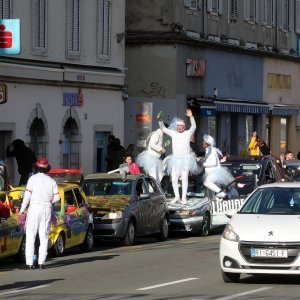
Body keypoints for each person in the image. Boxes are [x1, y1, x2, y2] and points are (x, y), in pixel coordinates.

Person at [19, 158, 60, 269]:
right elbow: (57, 197)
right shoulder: (52, 181)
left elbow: (27, 196)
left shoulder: (32, 179)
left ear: (36, 167)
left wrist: (22, 210)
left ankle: (30, 263)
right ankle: (41, 262)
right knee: (44, 236)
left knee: (30, 236)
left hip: (34, 208)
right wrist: (49, 202)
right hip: (46, 208)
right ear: (47, 168)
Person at [158, 109, 198, 205]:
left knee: (184, 178)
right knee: (174, 178)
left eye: (181, 126)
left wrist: (191, 117)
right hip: (175, 160)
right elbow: (163, 128)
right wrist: (160, 120)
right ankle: (176, 196)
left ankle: (183, 197)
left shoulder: (187, 133)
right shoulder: (173, 133)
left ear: (184, 127)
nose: (180, 127)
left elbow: (194, 127)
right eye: (178, 126)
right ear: (177, 126)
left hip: (185, 160)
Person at [202, 134, 234, 199]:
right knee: (210, 192)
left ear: (207, 143)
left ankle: (221, 193)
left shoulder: (212, 150)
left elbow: (213, 162)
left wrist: (204, 164)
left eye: (204, 141)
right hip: (210, 173)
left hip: (214, 173)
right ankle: (213, 203)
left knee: (207, 182)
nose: (202, 142)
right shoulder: (209, 150)